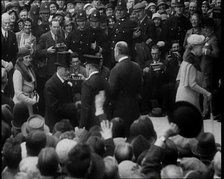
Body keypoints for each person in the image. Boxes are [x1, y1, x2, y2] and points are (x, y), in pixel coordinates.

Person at [109, 41, 142, 136]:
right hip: (135, 108)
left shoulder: (116, 69)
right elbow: (140, 87)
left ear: (118, 52)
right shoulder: (137, 66)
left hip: (120, 110)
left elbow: (112, 92)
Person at [176, 34, 212, 112]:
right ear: (195, 47)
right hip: (188, 97)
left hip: (183, 95)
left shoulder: (186, 60)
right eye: (201, 47)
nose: (202, 49)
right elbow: (192, 84)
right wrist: (206, 93)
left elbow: (178, 79)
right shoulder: (191, 63)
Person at [44, 51, 78, 130]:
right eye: (66, 70)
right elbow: (56, 107)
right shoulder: (50, 85)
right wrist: (74, 106)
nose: (68, 72)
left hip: (66, 124)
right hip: (55, 126)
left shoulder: (67, 82)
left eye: (69, 69)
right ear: (58, 69)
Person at [80, 54, 111, 130]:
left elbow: (85, 108)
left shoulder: (87, 84)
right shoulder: (105, 82)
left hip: (92, 124)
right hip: (105, 121)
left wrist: (82, 126)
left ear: (89, 67)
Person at [12, 48, 39, 115]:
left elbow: (33, 85)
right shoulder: (18, 72)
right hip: (21, 104)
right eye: (26, 58)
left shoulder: (29, 69)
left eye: (29, 57)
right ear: (21, 59)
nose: (28, 60)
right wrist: (32, 101)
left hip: (30, 101)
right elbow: (18, 94)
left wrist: (36, 96)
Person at [1, 13, 18, 98]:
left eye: (9, 23)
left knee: (10, 92)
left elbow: (15, 53)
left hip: (10, 69)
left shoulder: (12, 35)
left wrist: (12, 63)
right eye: (5, 23)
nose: (7, 25)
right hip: (1, 67)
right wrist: (3, 63)